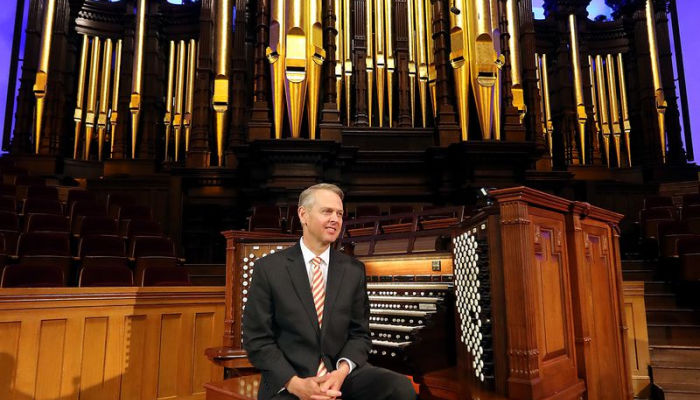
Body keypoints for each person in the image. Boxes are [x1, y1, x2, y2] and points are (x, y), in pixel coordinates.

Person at [243, 183, 417, 400]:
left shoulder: (354, 270)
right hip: (290, 378)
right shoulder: (269, 269)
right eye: (327, 211)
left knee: (399, 388)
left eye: (340, 213)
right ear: (303, 215)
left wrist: (342, 371)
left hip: (340, 375)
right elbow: (256, 340)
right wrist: (295, 384)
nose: (335, 219)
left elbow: (359, 334)